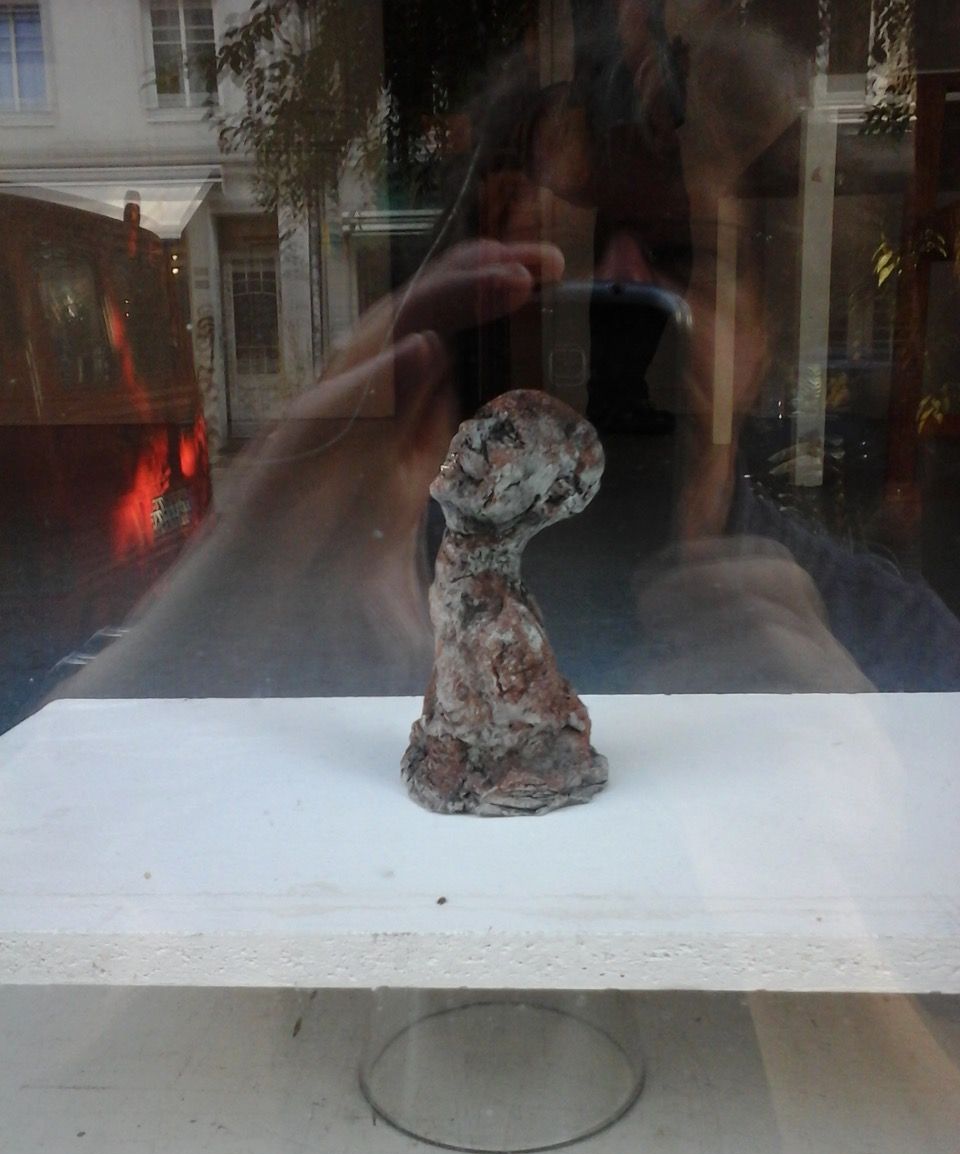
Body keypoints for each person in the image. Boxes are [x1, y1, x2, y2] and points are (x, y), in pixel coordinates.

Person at [55, 0, 960, 706]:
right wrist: (241, 578)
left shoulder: (881, 641)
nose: (622, 308)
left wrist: (860, 761)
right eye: (564, 264)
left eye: (685, 257)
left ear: (763, 336)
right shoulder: (351, 596)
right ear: (485, 300)